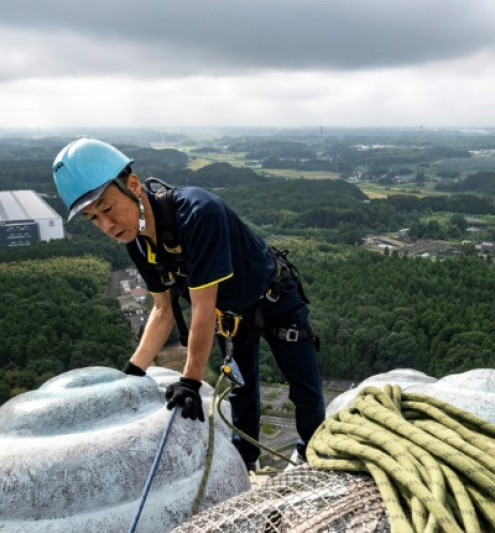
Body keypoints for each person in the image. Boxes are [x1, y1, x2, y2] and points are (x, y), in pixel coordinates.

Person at [52, 138, 326, 467]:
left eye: (108, 208)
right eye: (94, 218)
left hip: (276, 303)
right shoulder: (138, 243)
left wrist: (190, 381)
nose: (107, 226)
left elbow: (202, 308)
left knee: (304, 388)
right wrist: (131, 376)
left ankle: (312, 453)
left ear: (134, 185)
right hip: (231, 316)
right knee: (241, 394)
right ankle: (244, 463)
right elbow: (162, 310)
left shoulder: (199, 213)